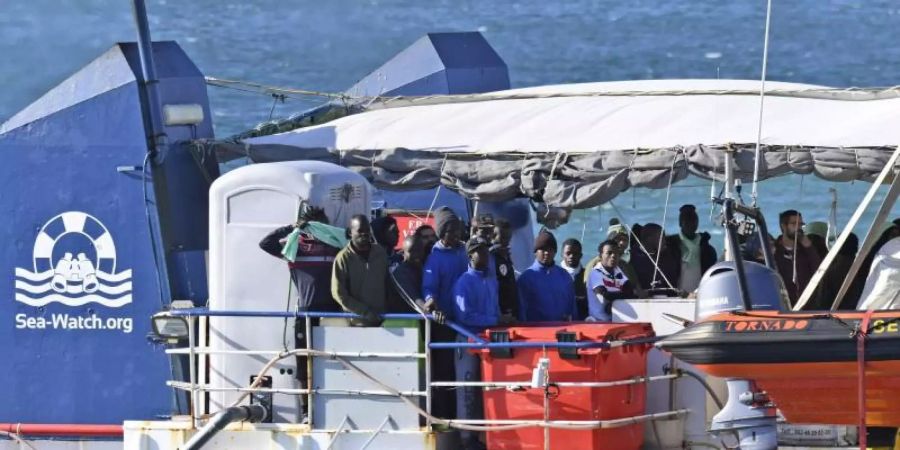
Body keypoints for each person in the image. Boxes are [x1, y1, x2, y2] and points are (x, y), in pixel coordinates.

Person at [452, 237, 501, 450]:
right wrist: (495, 321)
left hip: (489, 343)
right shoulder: (463, 283)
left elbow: (495, 307)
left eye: (487, 251)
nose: (486, 255)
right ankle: (467, 439)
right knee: (468, 392)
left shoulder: (491, 279)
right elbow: (465, 316)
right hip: (468, 342)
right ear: (471, 255)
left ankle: (485, 437)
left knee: (487, 390)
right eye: (481, 251)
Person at [421, 207, 468, 421]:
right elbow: (429, 288)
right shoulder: (435, 259)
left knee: (465, 377)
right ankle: (443, 424)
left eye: (458, 230)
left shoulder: (464, 251)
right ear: (442, 233)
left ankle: (465, 421)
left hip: (466, 323)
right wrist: (432, 303)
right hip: (445, 325)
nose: (457, 235)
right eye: (452, 232)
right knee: (444, 376)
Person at [331, 214, 389, 326]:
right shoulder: (342, 258)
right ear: (350, 232)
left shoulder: (380, 252)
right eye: (360, 230)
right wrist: (365, 312)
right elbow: (339, 294)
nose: (364, 234)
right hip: (356, 323)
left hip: (383, 321)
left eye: (367, 230)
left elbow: (388, 283)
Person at [517, 229, 577, 322]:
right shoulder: (526, 278)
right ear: (535, 252)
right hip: (536, 332)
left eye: (550, 249)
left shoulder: (564, 276)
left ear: (555, 252)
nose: (546, 253)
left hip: (562, 330)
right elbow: (521, 310)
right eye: (543, 249)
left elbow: (572, 308)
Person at [774, 210, 822, 306]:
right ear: (784, 226)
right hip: (782, 305)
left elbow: (819, 272)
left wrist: (809, 248)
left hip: (806, 306)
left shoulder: (806, 250)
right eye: (794, 224)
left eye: (800, 224)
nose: (798, 227)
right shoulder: (774, 251)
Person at [666, 205, 717, 293]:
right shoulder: (671, 245)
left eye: (694, 221)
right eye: (687, 221)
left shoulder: (706, 247)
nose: (691, 224)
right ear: (680, 223)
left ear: (697, 223)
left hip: (702, 293)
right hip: (677, 294)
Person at [587, 240, 636, 321]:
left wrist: (613, 300)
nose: (613, 256)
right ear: (600, 256)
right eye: (609, 253)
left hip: (616, 319)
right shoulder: (595, 273)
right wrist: (621, 296)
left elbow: (630, 291)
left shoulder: (617, 270)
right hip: (599, 321)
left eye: (616, 253)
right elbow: (604, 295)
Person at [630, 223, 681, 294]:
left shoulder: (669, 255)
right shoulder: (632, 258)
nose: (665, 241)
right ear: (649, 239)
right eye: (661, 238)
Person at [389, 235, 432, 313]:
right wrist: (431, 311)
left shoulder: (423, 268)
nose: (416, 254)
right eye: (411, 251)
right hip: (404, 321)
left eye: (419, 250)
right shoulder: (400, 272)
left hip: (421, 320)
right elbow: (414, 298)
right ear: (403, 252)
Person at [491, 218, 519, 321]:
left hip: (511, 310)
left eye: (508, 238)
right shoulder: (489, 259)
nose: (506, 242)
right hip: (500, 313)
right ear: (493, 236)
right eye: (503, 238)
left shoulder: (505, 257)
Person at [560, 238, 587, 320]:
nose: (571, 256)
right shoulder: (555, 274)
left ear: (581, 255)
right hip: (558, 322)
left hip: (582, 322)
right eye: (568, 253)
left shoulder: (587, 274)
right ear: (562, 254)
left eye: (575, 253)